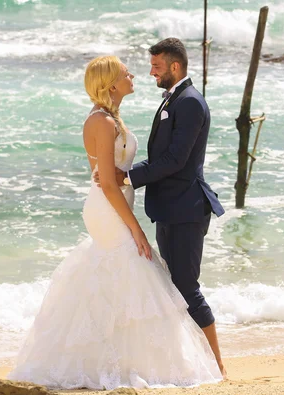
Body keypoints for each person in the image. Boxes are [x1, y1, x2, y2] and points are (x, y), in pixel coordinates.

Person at [8, 55, 222, 390]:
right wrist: (135, 228)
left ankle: (118, 361)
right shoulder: (102, 122)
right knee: (135, 270)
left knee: (120, 279)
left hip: (113, 207)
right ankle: (117, 364)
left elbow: (114, 176)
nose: (133, 75)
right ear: (111, 84)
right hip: (108, 210)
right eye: (126, 73)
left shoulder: (110, 118)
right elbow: (107, 183)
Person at [95, 38, 226, 377]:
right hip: (170, 207)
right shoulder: (175, 99)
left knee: (187, 287)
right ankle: (187, 360)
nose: (150, 72)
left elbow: (175, 159)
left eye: (156, 66)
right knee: (171, 285)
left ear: (175, 67)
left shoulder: (190, 103)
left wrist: (128, 178)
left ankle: (217, 365)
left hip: (186, 208)